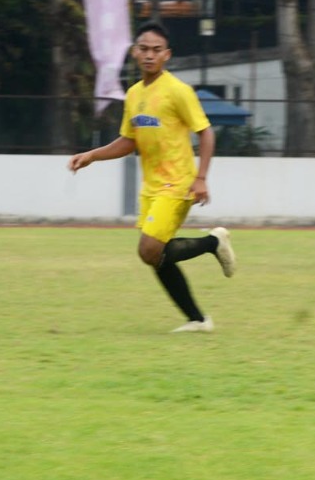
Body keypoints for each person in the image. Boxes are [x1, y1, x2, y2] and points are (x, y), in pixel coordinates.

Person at [67, 22, 236, 331]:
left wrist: (201, 178)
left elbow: (206, 132)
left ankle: (213, 242)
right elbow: (128, 141)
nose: (149, 55)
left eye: (156, 50)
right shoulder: (134, 95)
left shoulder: (178, 91)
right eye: (144, 49)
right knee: (155, 256)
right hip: (152, 186)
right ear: (134, 52)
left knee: (148, 249)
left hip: (178, 182)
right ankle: (198, 320)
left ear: (166, 55)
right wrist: (92, 155)